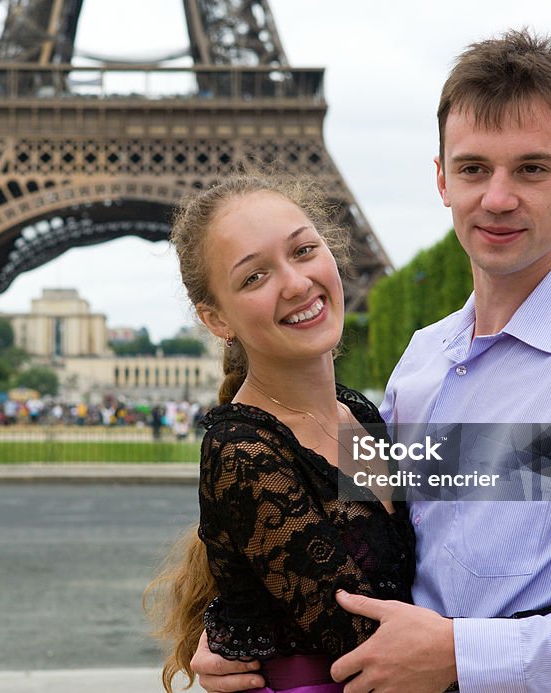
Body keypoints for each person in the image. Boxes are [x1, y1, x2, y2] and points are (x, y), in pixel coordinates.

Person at [191, 29, 551, 693]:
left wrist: (465, 653)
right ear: (442, 179)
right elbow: (343, 538)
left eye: (532, 168)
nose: (499, 197)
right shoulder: (419, 366)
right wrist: (246, 633)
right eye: (475, 168)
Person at [146, 174, 416, 693]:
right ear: (215, 318)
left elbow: (536, 468)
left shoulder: (360, 413)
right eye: (254, 277)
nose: (295, 283)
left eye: (304, 250)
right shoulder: (242, 453)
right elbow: (375, 653)